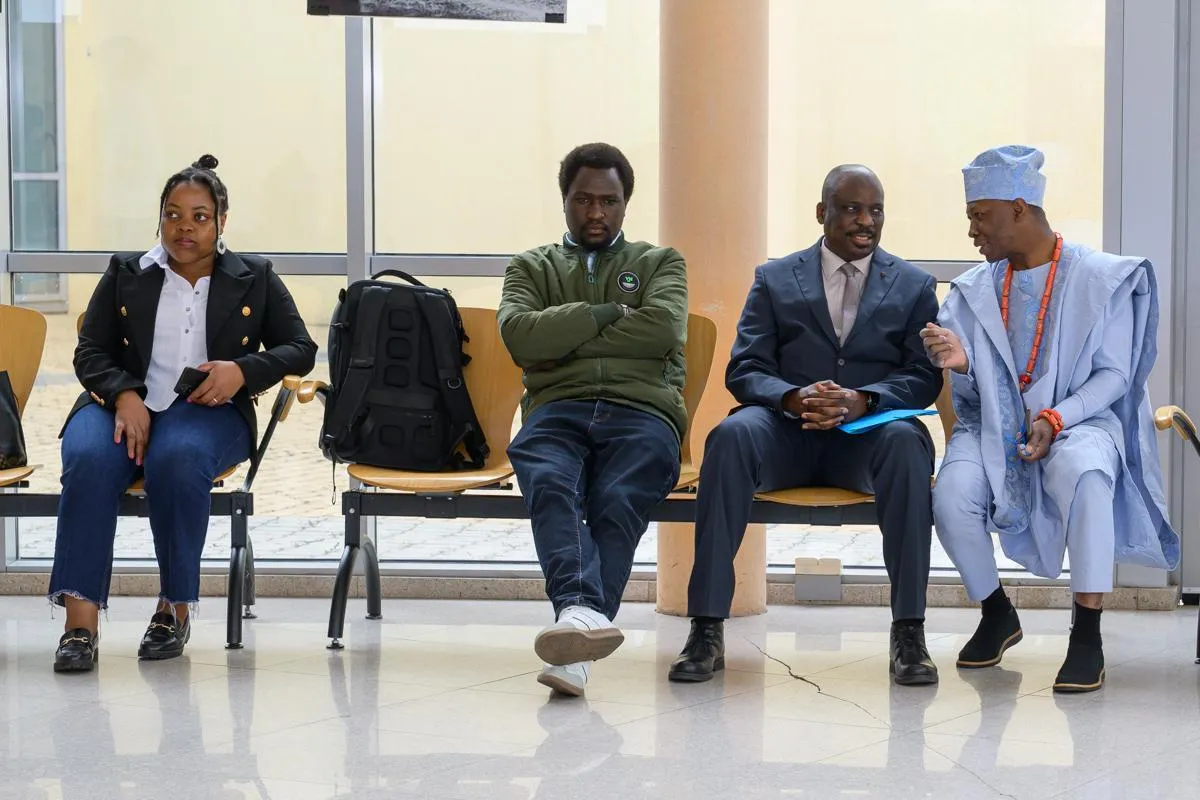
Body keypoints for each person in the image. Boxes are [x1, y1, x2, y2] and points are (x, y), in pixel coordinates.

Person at [670, 165, 943, 686]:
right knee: (729, 437)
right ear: (822, 213)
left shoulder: (914, 286)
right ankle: (705, 628)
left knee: (908, 444)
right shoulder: (774, 278)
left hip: (868, 438)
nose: (865, 221)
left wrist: (865, 399)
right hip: (785, 433)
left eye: (875, 211)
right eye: (852, 209)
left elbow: (922, 376)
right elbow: (745, 368)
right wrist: (793, 398)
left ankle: (909, 632)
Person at [922, 145, 1179, 693]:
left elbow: (1114, 376)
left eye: (980, 215)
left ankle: (1086, 635)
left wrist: (1057, 417)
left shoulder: (1100, 278)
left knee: (1087, 473)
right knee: (952, 495)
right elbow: (970, 395)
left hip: (1080, 420)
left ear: (1019, 208)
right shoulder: (973, 290)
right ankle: (996, 612)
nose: (971, 230)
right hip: (992, 424)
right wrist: (962, 363)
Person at [49, 155, 317, 672]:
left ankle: (172, 609)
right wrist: (124, 395)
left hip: (206, 411)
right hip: (119, 405)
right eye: (173, 214)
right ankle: (79, 625)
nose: (184, 227)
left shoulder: (255, 277)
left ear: (221, 222)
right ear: (160, 218)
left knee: (178, 457)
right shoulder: (127, 272)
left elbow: (300, 348)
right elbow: (90, 352)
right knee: (87, 459)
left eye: (199, 216)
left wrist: (242, 371)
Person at [500, 142, 688, 697]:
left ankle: (575, 621)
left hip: (643, 411)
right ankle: (583, 625)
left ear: (626, 203)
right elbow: (520, 337)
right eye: (584, 200)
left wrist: (561, 340)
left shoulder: (660, 262)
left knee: (617, 496)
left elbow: (664, 329)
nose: (597, 212)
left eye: (609, 201)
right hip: (557, 409)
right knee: (550, 480)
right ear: (565, 200)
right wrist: (609, 313)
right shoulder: (531, 266)